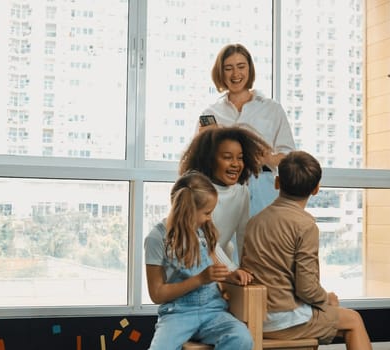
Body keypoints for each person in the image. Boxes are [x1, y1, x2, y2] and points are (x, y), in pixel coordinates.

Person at [240, 151, 372, 350]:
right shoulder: (305, 225)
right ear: (316, 189)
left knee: (335, 317)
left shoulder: (255, 221)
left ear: (277, 182)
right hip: (284, 320)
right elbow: (307, 288)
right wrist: (327, 299)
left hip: (253, 316)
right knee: (353, 320)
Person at [145, 170, 253, 350]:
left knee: (241, 338)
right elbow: (157, 294)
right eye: (207, 213)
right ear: (188, 212)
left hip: (212, 311)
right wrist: (199, 279)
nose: (209, 218)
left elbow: (213, 270)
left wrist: (230, 275)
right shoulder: (156, 238)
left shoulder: (203, 231)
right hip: (177, 314)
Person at [199, 43, 296, 218]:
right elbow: (201, 160)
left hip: (262, 187)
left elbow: (289, 157)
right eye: (228, 68)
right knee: (225, 243)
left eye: (241, 66)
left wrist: (269, 158)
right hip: (223, 189)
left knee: (261, 242)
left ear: (250, 70)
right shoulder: (211, 113)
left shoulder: (271, 108)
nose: (236, 74)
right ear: (221, 73)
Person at [179, 126, 270, 270]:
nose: (235, 164)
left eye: (240, 158)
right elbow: (207, 241)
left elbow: (242, 235)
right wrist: (232, 270)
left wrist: (246, 270)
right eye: (227, 157)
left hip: (218, 265)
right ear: (209, 160)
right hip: (192, 264)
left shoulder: (242, 192)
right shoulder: (197, 191)